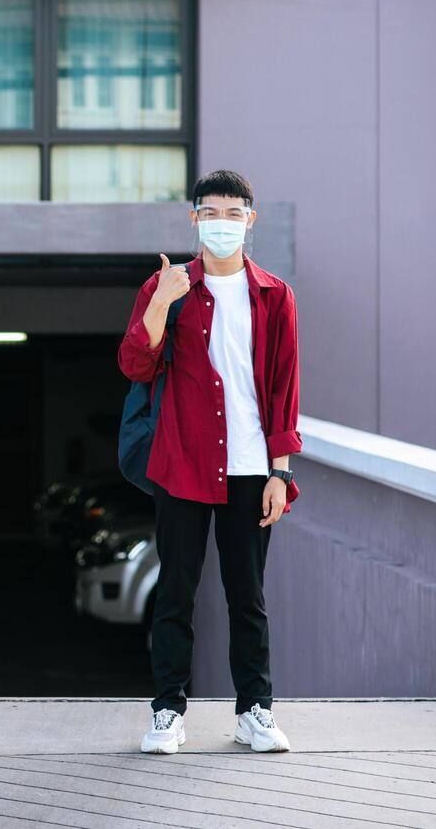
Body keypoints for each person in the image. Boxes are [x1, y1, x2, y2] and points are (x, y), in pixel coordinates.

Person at [117, 170, 300, 755]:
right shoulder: (166, 286)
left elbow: (281, 389)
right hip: (183, 462)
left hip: (252, 466)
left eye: (233, 213)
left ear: (251, 219)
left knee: (247, 595)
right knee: (176, 591)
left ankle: (255, 711)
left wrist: (281, 471)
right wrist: (160, 305)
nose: (222, 223)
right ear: (194, 218)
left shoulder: (274, 295)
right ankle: (167, 713)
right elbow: (134, 366)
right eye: (211, 212)